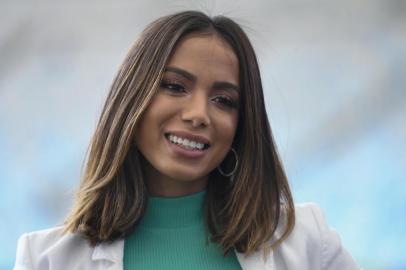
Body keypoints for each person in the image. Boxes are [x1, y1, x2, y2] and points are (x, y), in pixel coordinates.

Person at [13, 10, 360, 270]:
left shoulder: (307, 243)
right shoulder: (45, 259)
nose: (198, 114)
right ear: (133, 99)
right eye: (175, 87)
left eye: (224, 100)